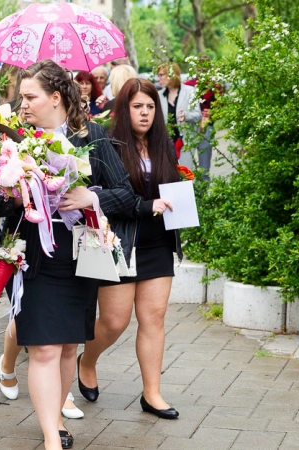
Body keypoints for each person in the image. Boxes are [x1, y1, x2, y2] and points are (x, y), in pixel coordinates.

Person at [0, 59, 135, 450]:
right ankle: (52, 439)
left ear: (55, 98)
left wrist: (93, 196)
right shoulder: (16, 143)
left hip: (81, 258)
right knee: (44, 348)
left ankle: (53, 417)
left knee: (69, 346)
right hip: (36, 257)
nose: (23, 104)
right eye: (21, 97)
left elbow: (126, 195)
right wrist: (17, 192)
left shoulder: (95, 141)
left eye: (30, 97)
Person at [78, 78, 183, 420]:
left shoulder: (163, 143)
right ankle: (87, 359)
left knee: (153, 318)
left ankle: (152, 394)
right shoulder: (108, 142)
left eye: (150, 107)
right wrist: (145, 205)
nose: (145, 113)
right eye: (138, 106)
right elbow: (107, 197)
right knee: (113, 322)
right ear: (124, 109)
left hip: (158, 243)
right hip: (121, 241)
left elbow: (170, 188)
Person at [184, 55, 223, 178]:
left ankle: (202, 195)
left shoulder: (215, 86)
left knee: (204, 167)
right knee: (186, 165)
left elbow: (221, 107)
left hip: (206, 126)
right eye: (199, 68)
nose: (201, 71)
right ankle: (190, 192)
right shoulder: (188, 85)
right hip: (189, 127)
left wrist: (212, 113)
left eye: (203, 68)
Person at [156, 63, 201, 154]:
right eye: (158, 75)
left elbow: (198, 115)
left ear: (172, 74)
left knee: (185, 168)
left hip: (185, 141)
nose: (158, 79)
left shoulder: (190, 91)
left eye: (161, 75)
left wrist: (186, 115)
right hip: (165, 143)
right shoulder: (159, 95)